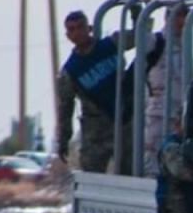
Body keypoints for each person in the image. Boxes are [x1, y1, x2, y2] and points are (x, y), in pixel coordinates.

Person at [55, 10, 135, 173]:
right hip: (96, 132)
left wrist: (136, 14)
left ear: (89, 28)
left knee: (129, 172)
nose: (77, 33)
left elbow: (140, 35)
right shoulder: (70, 71)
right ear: (67, 35)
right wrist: (63, 140)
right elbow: (65, 108)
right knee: (92, 174)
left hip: (124, 121)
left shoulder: (112, 44)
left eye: (80, 27)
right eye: (71, 29)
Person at [143, 3, 188, 176]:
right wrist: (143, 20)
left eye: (185, 15)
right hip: (158, 116)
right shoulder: (157, 42)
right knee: (153, 167)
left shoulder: (186, 45)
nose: (182, 21)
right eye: (178, 15)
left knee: (175, 167)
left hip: (180, 117)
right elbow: (142, 42)